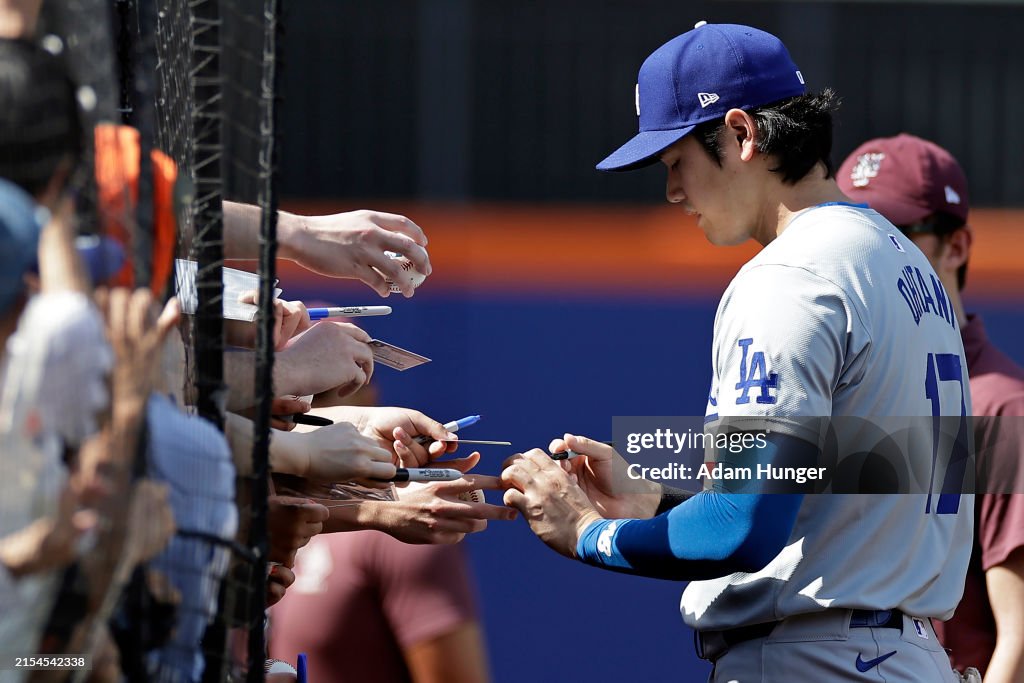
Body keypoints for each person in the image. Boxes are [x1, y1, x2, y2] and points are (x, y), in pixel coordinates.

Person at [500, 22, 973, 682]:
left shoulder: (793, 274)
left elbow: (742, 527)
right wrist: (657, 501)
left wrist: (587, 531)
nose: (671, 191)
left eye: (676, 162)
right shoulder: (898, 260)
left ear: (743, 134)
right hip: (901, 653)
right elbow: (837, 489)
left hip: (817, 658)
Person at [838, 133, 1024, 682]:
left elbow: (1020, 637)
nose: (876, 255)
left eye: (899, 235)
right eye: (861, 235)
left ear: (957, 246)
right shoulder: (856, 389)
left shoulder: (1000, 406)